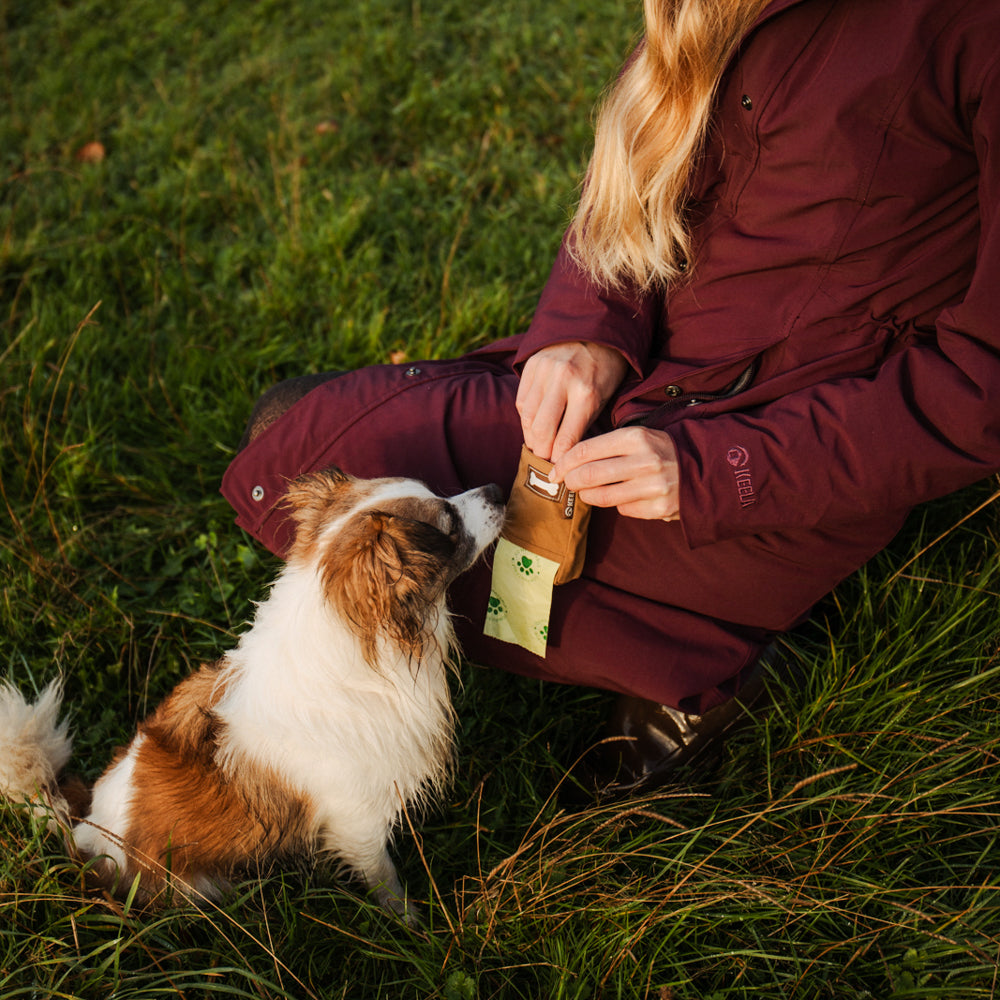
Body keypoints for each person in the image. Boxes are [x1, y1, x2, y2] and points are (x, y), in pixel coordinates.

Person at [222, 0, 1000, 797]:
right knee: (293, 436)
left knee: (381, 548)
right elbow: (635, 181)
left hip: (791, 461)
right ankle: (655, 630)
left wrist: (716, 471)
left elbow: (982, 387)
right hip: (643, 384)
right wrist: (584, 329)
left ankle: (708, 654)